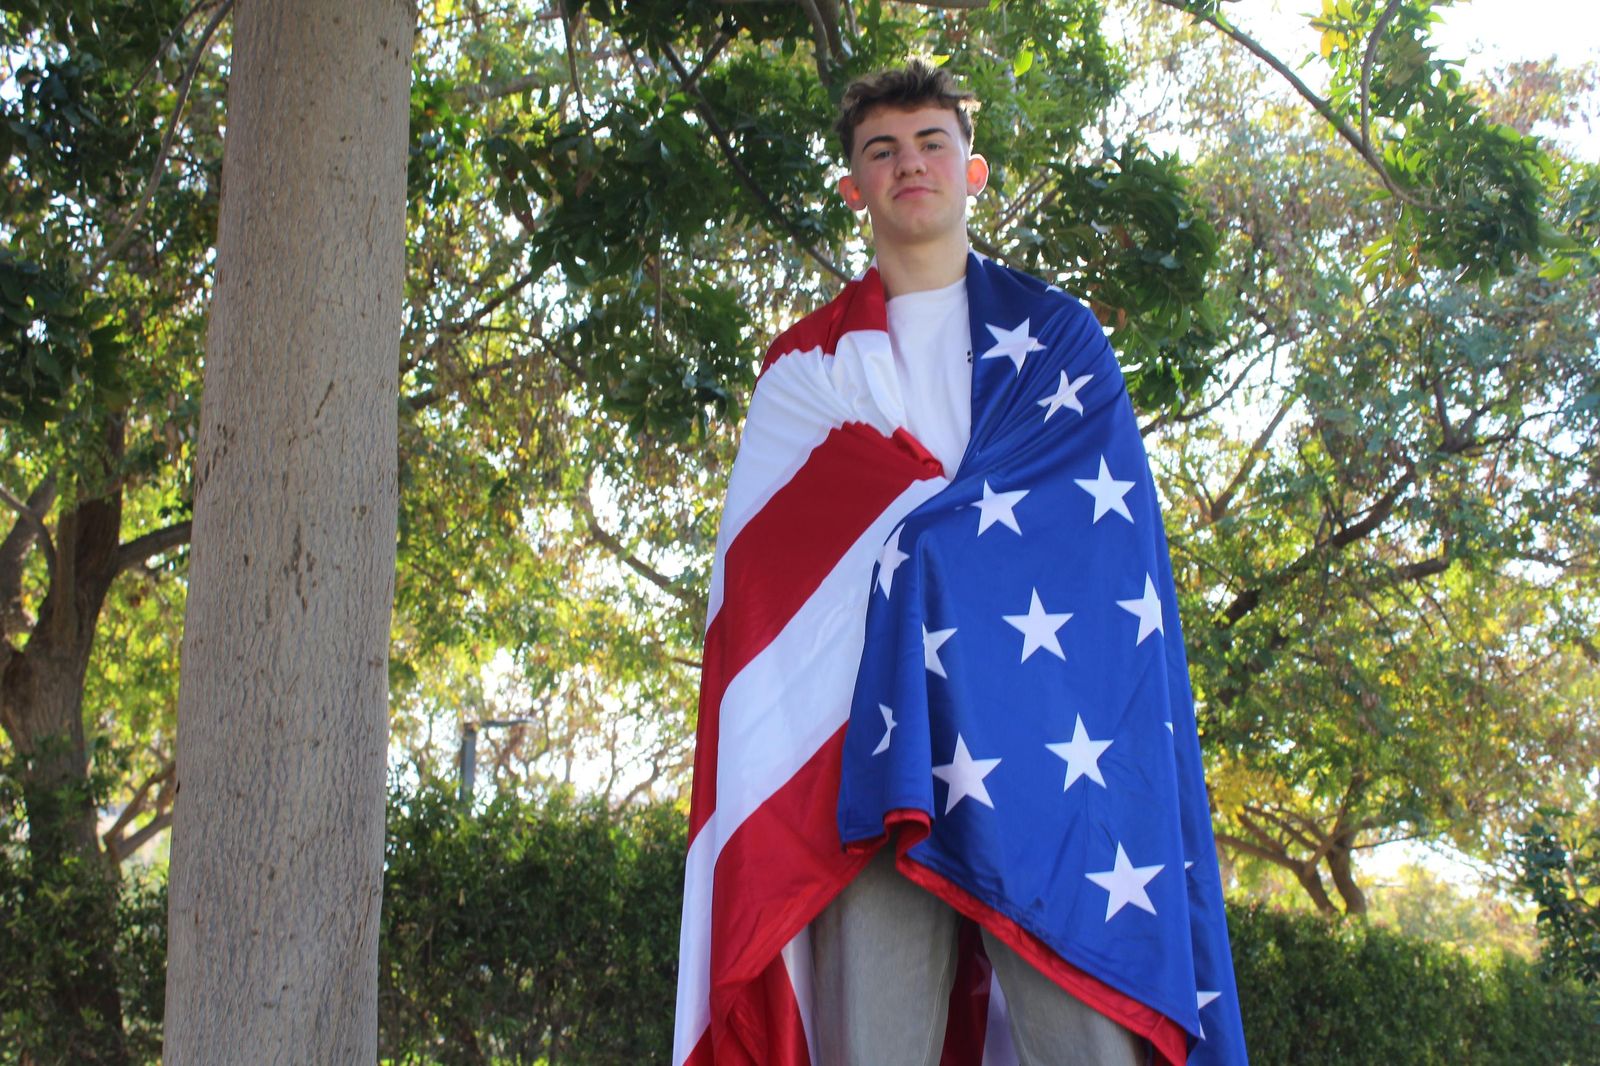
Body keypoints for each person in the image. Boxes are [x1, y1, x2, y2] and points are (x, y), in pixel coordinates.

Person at [674, 61, 1246, 1066]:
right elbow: (761, 588)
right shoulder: (805, 375)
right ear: (853, 188)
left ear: (971, 170)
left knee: (1084, 1037)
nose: (909, 165)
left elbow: (1093, 550)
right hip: (862, 762)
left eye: (930, 142)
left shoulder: (1060, 344)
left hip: (1040, 748)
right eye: (880, 151)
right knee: (873, 1044)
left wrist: (928, 543)